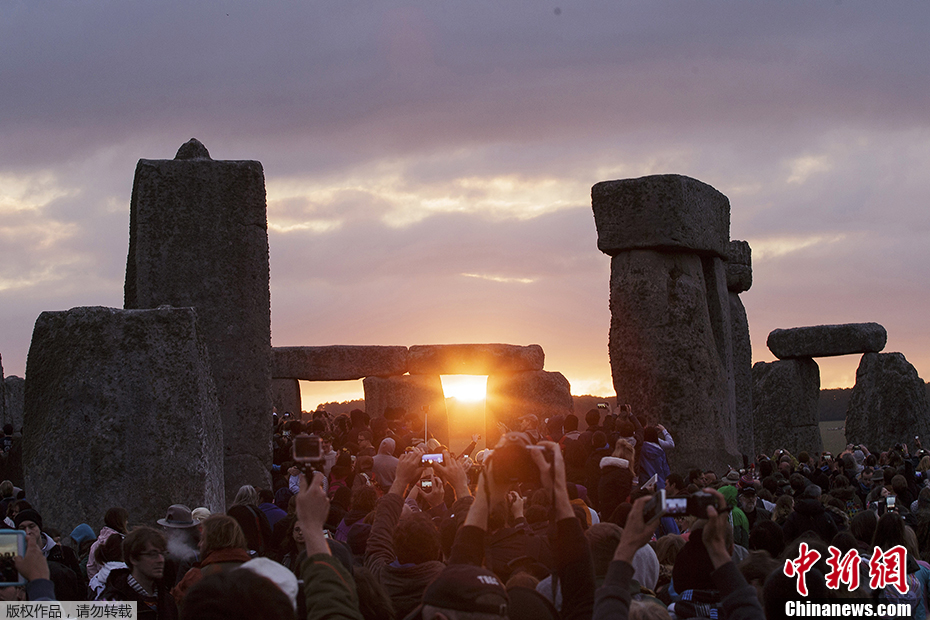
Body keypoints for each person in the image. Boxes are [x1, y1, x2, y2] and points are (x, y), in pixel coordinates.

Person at [593, 490, 764, 620]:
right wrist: (718, 550)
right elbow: (749, 610)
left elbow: (607, 611)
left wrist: (627, 546)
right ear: (732, 549)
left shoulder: (671, 608)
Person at [101, 526, 178, 620]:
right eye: (152, 554)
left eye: (162, 554)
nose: (161, 560)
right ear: (133, 558)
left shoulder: (167, 600)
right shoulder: (112, 602)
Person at [171, 514, 251, 604]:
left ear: (212, 541)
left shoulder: (195, 578)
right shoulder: (258, 573)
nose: (199, 544)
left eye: (203, 539)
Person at [14, 508, 85, 600]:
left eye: (32, 526)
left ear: (39, 528)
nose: (28, 532)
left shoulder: (64, 553)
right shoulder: (16, 557)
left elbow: (80, 585)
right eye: (22, 528)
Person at [87, 507, 129, 580]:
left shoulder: (96, 544)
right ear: (120, 521)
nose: (127, 522)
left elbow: (91, 567)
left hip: (101, 585)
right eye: (125, 520)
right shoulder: (123, 542)